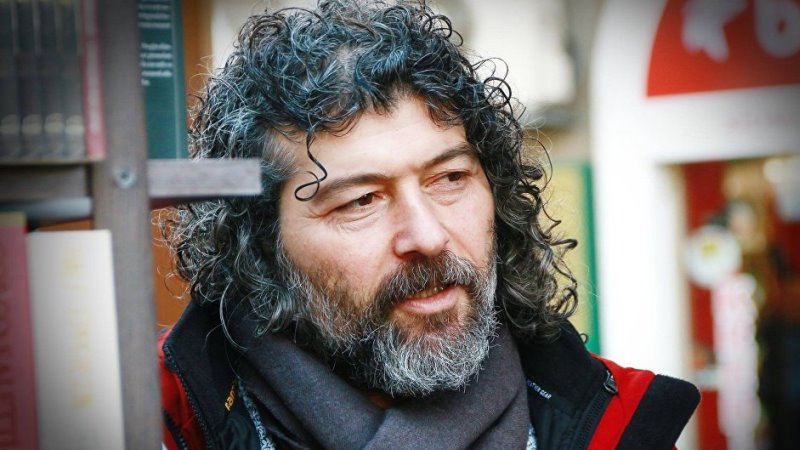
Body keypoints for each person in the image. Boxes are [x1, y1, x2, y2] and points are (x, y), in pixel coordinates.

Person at [159, 1, 700, 448]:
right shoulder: (152, 418)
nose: (428, 236)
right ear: (260, 245)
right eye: (362, 201)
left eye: (450, 178)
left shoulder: (617, 426)